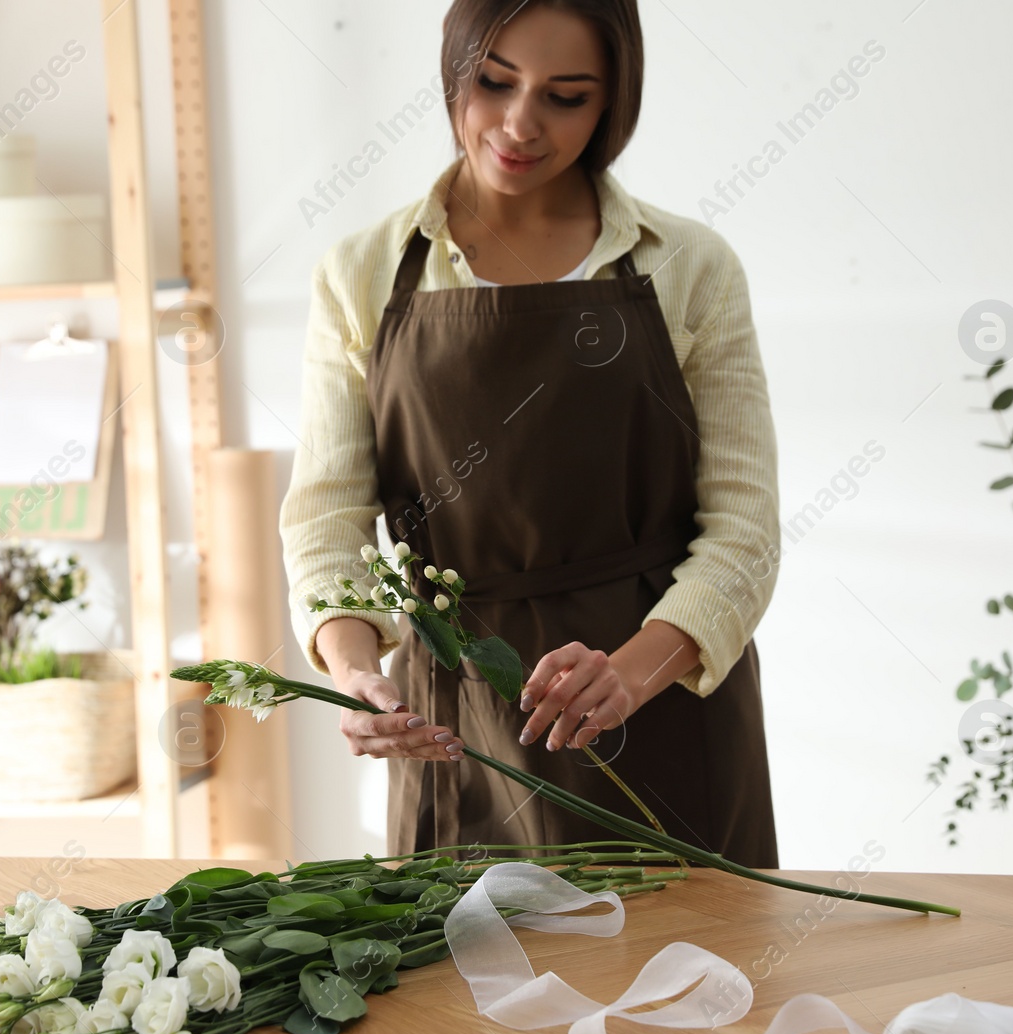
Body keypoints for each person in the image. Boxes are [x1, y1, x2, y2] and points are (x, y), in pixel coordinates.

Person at [279, 0, 781, 868]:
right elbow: (327, 520)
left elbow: (744, 530)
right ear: (453, 70)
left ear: (612, 103)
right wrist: (354, 668)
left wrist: (630, 671)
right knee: (459, 998)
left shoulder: (690, 267)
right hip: (456, 723)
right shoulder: (363, 274)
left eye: (566, 96)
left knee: (696, 992)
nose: (517, 125)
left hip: (663, 715)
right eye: (493, 82)